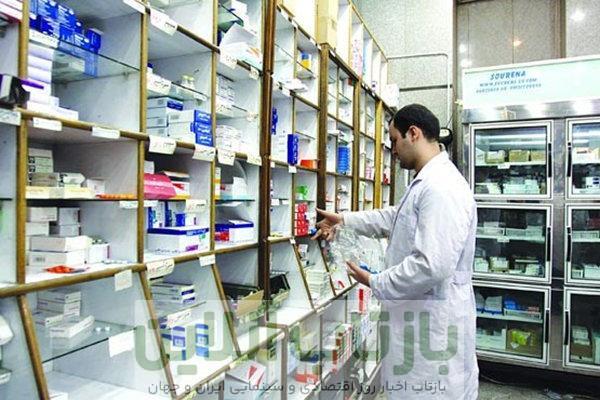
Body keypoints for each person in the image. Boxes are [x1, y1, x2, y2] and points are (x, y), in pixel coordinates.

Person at [313, 104, 479, 399]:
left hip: (432, 328)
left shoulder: (441, 188)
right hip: (419, 320)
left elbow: (431, 265)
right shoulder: (427, 181)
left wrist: (375, 281)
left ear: (413, 133)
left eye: (393, 140)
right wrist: (345, 220)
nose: (392, 150)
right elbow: (396, 217)